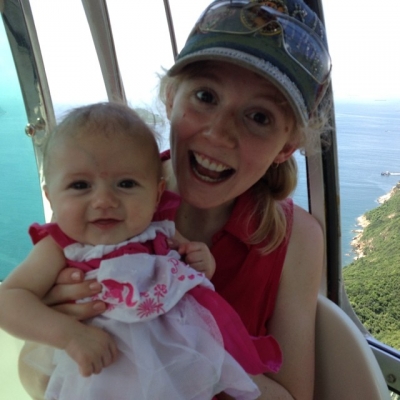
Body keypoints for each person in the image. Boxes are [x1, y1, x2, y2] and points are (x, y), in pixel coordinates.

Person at [18, 0, 331, 399]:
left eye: (259, 117)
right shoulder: (101, 205)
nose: (218, 134)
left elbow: (293, 395)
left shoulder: (296, 238)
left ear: (287, 146)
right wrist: (59, 333)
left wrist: (187, 341)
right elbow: (34, 378)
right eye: (205, 96)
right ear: (171, 98)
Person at [0, 102, 282, 400]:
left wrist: (203, 262)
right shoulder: (64, 248)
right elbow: (9, 299)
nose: (104, 200)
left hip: (173, 375)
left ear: (157, 194)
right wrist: (70, 336)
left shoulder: (160, 231)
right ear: (51, 196)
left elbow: (187, 271)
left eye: (126, 183)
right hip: (99, 379)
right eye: (80, 185)